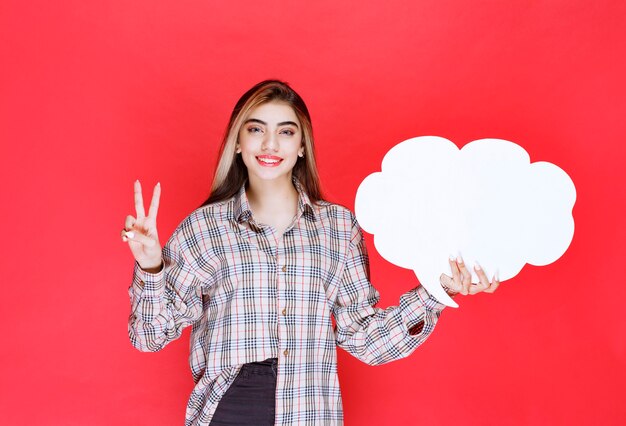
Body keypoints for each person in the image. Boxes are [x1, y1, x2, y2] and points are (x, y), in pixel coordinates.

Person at [122, 80, 500, 426]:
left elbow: (365, 338)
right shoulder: (204, 229)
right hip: (228, 411)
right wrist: (150, 264)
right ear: (238, 142)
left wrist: (437, 291)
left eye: (286, 132)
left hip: (309, 412)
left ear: (302, 146)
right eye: (256, 129)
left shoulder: (337, 228)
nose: (270, 145)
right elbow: (148, 336)